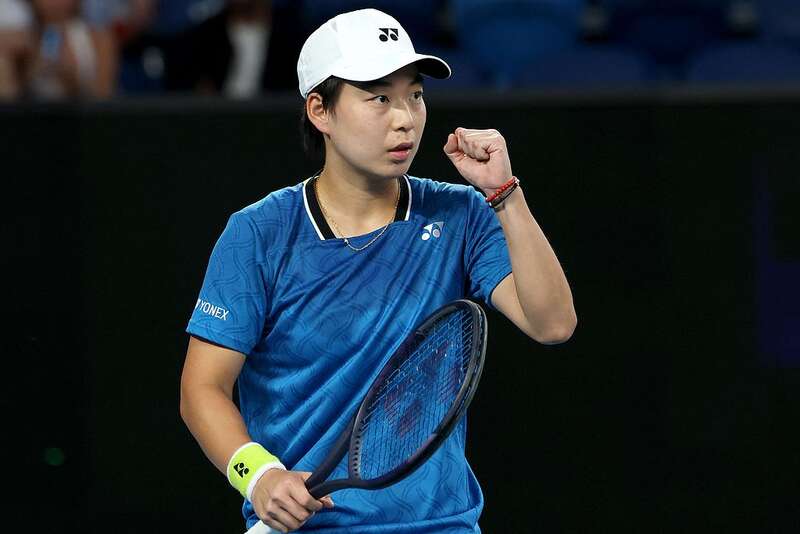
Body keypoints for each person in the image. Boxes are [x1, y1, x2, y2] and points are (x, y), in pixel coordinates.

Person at [180, 8, 576, 533]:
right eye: (380, 98)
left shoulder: (460, 214)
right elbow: (201, 389)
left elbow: (552, 324)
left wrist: (505, 194)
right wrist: (259, 476)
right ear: (320, 110)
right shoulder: (259, 233)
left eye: (415, 95)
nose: (405, 118)